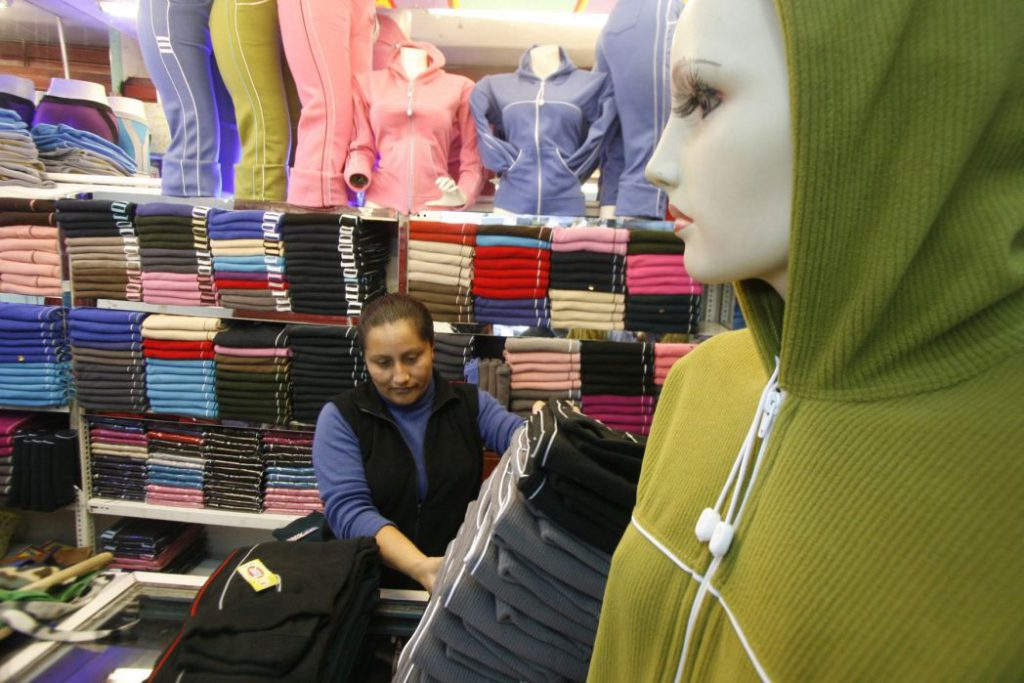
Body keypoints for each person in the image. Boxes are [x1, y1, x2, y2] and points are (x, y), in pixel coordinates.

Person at [588, 0, 1023, 680]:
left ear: (883, 101)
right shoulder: (699, 385)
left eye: (704, 98)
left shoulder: (1001, 486)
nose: (658, 165)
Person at [313, 294, 524, 591]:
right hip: (365, 589)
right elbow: (348, 510)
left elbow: (523, 443)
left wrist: (551, 431)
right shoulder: (341, 418)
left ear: (432, 348)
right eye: (383, 363)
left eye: (412, 358)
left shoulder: (470, 405)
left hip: (450, 581)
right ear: (366, 360)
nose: (400, 376)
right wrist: (419, 566)